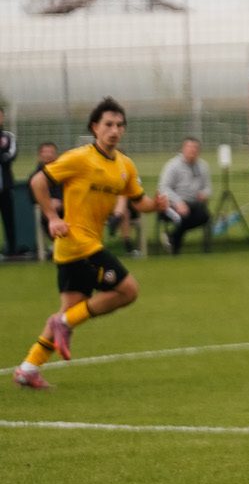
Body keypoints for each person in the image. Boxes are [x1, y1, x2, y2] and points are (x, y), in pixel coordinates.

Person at [14, 100, 170, 390]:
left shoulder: (124, 165)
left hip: (80, 249)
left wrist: (156, 206)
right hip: (76, 243)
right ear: (94, 127)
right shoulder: (80, 158)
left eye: (119, 125)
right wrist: (51, 217)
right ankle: (64, 324)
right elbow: (37, 181)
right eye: (108, 124)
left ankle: (28, 369)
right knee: (128, 290)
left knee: (70, 311)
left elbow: (139, 201)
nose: (114, 130)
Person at [158, 137, 213, 256]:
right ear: (183, 149)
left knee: (205, 216)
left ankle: (171, 238)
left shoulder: (203, 166)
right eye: (189, 148)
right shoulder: (172, 165)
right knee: (183, 216)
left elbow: (208, 187)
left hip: (194, 204)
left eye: (195, 148)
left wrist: (204, 193)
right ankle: (175, 247)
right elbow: (163, 188)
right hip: (171, 205)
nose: (192, 151)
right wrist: (178, 202)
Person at [27, 142, 59, 254]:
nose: (48, 155)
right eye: (45, 152)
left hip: (65, 207)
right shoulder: (34, 176)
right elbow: (32, 197)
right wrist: (47, 203)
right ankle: (57, 244)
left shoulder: (63, 173)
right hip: (46, 210)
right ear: (39, 155)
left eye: (51, 152)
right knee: (46, 215)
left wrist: (61, 202)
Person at [0, 106, 16, 258]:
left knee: (8, 219)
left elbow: (10, 155)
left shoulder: (8, 136)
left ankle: (11, 250)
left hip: (5, 186)